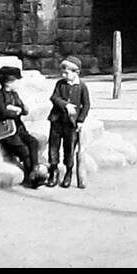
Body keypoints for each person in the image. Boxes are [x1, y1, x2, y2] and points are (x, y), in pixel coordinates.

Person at [0, 66, 43, 188]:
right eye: (17, 80)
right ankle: (32, 177)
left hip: (18, 128)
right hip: (7, 131)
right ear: (9, 82)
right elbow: (2, 112)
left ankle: (34, 170)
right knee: (23, 150)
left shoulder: (15, 95)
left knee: (33, 142)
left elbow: (23, 110)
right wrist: (15, 111)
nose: (19, 83)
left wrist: (22, 109)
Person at [46, 57, 91, 188]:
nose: (63, 75)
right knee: (53, 147)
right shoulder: (60, 84)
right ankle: (53, 171)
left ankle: (68, 172)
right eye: (63, 72)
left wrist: (81, 120)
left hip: (71, 124)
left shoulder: (81, 87)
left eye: (66, 73)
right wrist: (65, 105)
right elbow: (54, 97)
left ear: (76, 72)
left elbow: (86, 105)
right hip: (57, 120)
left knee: (69, 149)